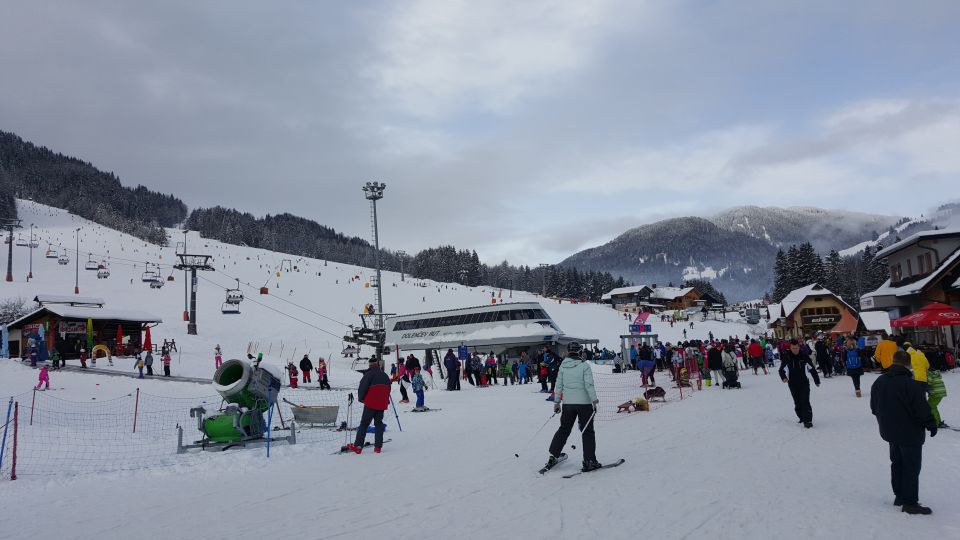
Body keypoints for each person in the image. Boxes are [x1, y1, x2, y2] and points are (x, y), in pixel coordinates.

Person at [870, 350, 937, 515]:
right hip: (910, 433)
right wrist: (930, 424)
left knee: (897, 462)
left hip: (890, 432)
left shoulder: (880, 381)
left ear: (893, 361)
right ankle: (910, 502)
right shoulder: (911, 385)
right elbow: (922, 409)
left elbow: (874, 406)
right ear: (909, 364)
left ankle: (899, 495)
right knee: (911, 467)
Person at [547, 342, 602, 472]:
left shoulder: (563, 366)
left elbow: (558, 385)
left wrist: (556, 402)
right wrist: (594, 400)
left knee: (564, 429)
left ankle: (553, 455)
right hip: (584, 404)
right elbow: (589, 384)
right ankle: (589, 460)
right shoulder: (584, 366)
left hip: (568, 404)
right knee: (587, 431)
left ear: (568, 351)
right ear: (579, 351)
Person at [346, 357, 391, 454]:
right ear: (378, 364)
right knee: (379, 424)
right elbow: (388, 389)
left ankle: (358, 446)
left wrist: (362, 398)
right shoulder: (385, 375)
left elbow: (362, 388)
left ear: (370, 365)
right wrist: (385, 400)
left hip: (371, 403)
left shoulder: (368, 375)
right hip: (381, 404)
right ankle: (378, 447)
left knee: (364, 424)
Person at [779, 338, 820, 428]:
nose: (795, 350)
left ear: (799, 347)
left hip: (804, 383)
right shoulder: (787, 357)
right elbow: (781, 370)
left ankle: (808, 420)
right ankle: (802, 417)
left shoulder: (804, 357)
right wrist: (784, 378)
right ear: (790, 348)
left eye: (796, 348)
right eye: (793, 348)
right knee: (797, 402)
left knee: (805, 401)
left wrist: (816, 380)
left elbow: (812, 369)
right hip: (792, 384)